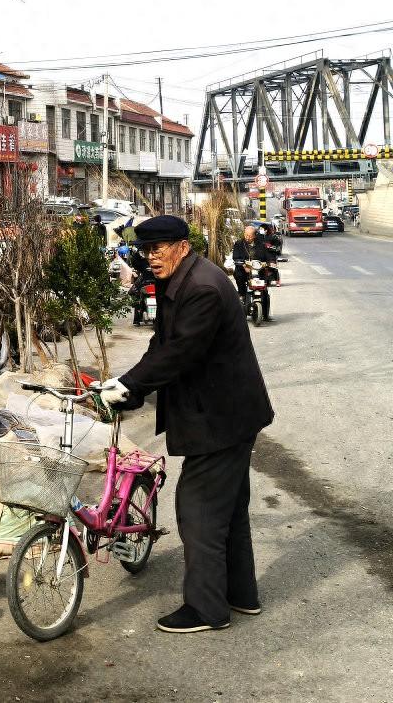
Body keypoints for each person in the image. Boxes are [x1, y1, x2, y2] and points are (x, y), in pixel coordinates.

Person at [97, 215, 274, 634]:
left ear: (181, 245)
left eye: (158, 249)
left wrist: (131, 384)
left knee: (198, 511)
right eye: (144, 250)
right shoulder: (181, 279)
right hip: (224, 412)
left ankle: (207, 609)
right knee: (228, 509)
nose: (150, 257)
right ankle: (240, 595)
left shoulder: (202, 288)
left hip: (221, 417)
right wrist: (130, 386)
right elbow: (163, 343)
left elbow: (181, 352)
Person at [232, 225, 275, 321]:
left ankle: (266, 314)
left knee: (265, 291)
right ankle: (242, 295)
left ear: (254, 236)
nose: (247, 237)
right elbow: (236, 257)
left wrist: (271, 262)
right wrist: (244, 265)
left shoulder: (262, 244)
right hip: (244, 270)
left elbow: (269, 256)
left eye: (250, 236)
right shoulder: (239, 244)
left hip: (259, 270)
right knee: (239, 275)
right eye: (246, 235)